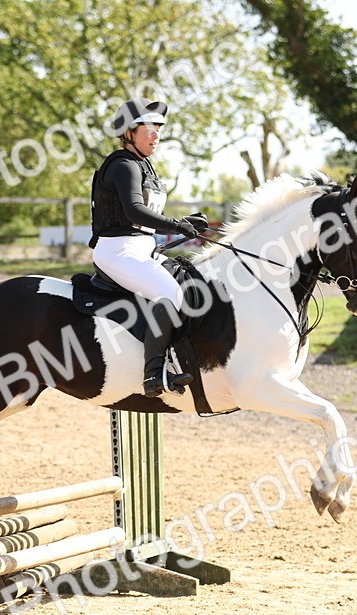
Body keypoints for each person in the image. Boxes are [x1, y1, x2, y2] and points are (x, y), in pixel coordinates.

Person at [88, 97, 209, 397]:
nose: (156, 135)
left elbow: (146, 218)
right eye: (149, 128)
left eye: (159, 128)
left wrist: (183, 222)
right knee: (170, 293)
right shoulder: (123, 165)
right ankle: (153, 374)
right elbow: (134, 212)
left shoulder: (144, 166)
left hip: (141, 248)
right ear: (129, 132)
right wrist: (176, 225)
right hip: (117, 251)